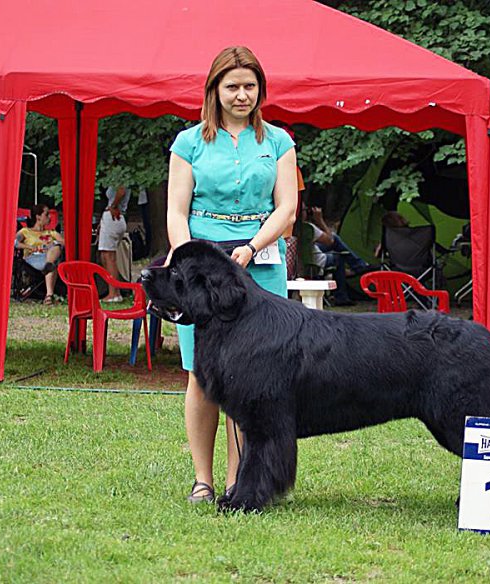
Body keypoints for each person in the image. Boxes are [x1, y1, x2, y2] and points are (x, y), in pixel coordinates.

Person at [167, 46, 298, 503]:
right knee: (201, 374)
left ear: (261, 90)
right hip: (203, 269)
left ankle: (238, 480)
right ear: (214, 90)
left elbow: (287, 207)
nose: (242, 95)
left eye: (250, 86)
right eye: (233, 87)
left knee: (252, 376)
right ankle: (202, 479)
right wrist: (187, 262)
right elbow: (176, 211)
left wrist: (254, 245)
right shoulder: (188, 143)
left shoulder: (279, 141)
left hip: (259, 262)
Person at [304, 205, 370, 306]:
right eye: (305, 210)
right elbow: (330, 241)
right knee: (338, 257)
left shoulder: (288, 226)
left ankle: (357, 265)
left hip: (300, 261)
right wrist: (320, 220)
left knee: (333, 242)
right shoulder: (308, 228)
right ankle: (341, 296)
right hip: (314, 262)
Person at [15, 203, 65, 305]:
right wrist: (30, 247)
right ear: (38, 217)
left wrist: (51, 244)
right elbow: (14, 242)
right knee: (52, 263)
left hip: (50, 256)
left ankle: (49, 294)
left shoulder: (51, 232)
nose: (50, 217)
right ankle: (49, 294)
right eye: (46, 214)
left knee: (56, 246)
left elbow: (64, 242)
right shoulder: (26, 231)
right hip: (34, 257)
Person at [98, 186, 129, 302]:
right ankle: (115, 291)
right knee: (107, 256)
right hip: (116, 217)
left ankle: (113, 293)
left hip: (113, 216)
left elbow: (121, 190)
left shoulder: (119, 180)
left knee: (109, 257)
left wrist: (113, 206)